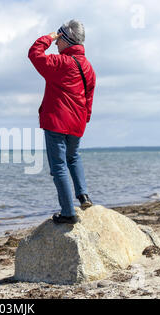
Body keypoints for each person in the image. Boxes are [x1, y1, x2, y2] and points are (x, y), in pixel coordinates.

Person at [28, 19, 96, 224]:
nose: (57, 44)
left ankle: (68, 213)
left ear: (66, 40)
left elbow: (34, 54)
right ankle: (83, 196)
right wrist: (85, 119)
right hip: (77, 122)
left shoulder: (61, 63)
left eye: (59, 39)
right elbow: (89, 97)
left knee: (58, 166)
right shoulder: (88, 67)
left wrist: (48, 38)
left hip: (57, 121)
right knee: (73, 157)